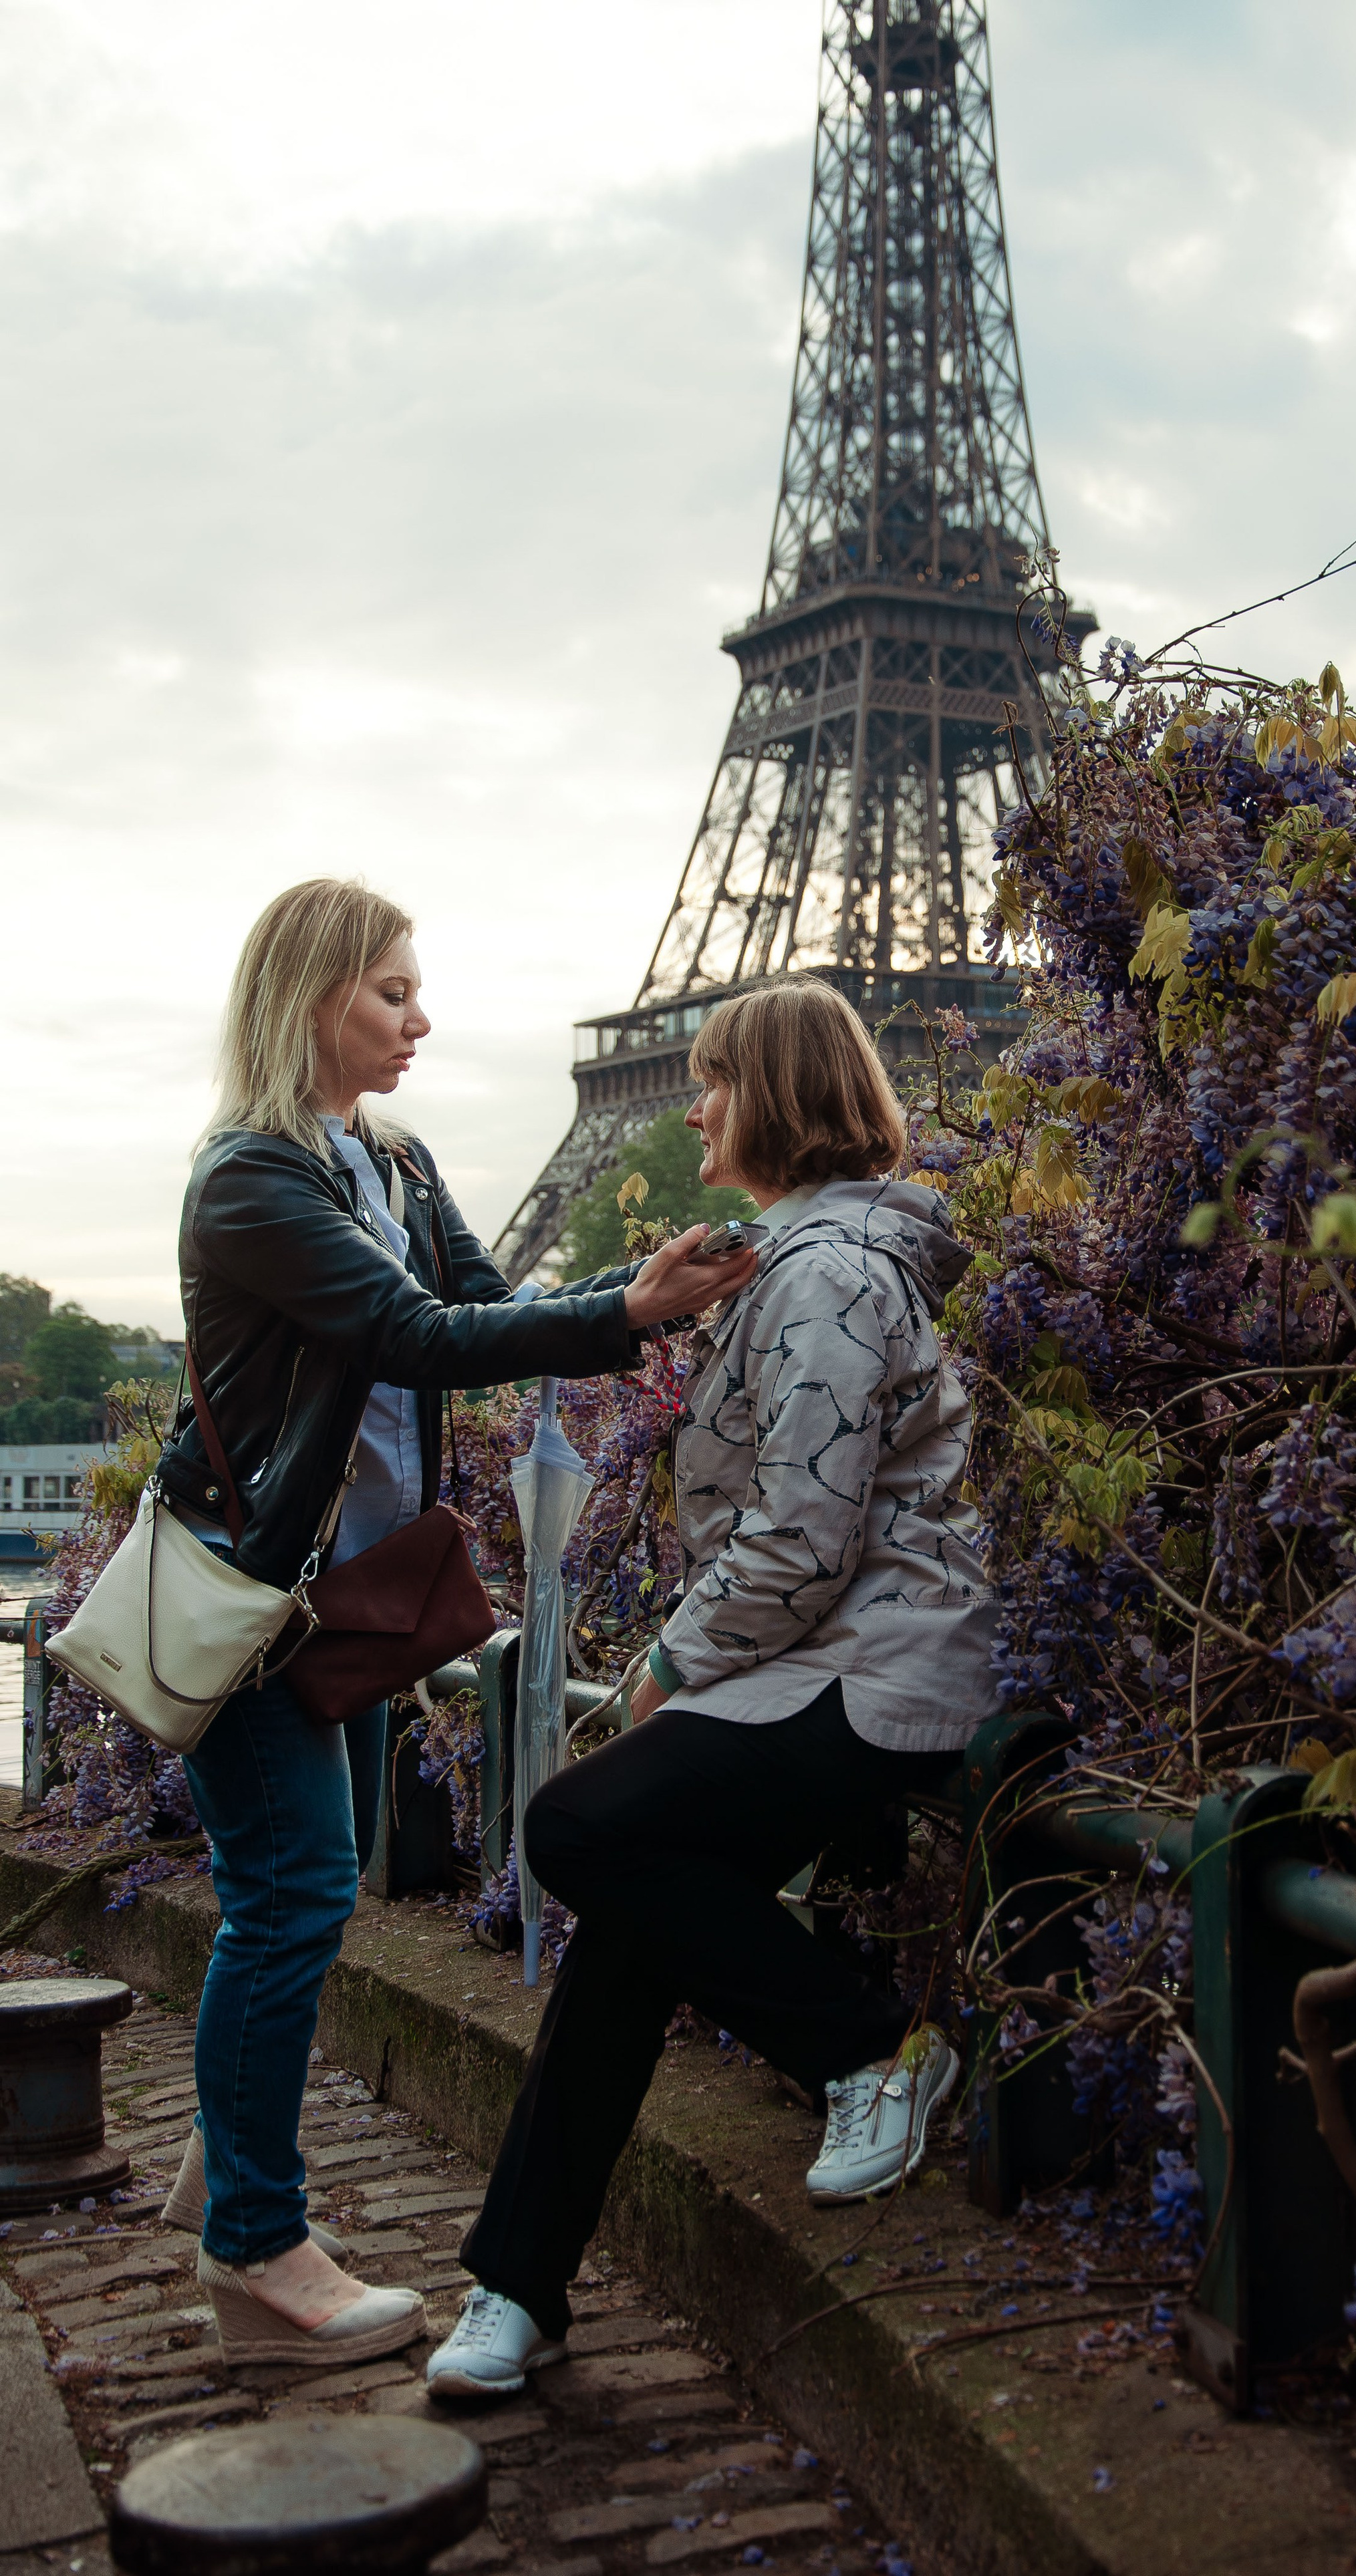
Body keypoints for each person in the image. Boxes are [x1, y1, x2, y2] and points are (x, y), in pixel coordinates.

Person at [155, 877, 755, 2368]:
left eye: (417, 992)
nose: (420, 1019)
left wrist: (646, 1290)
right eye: (390, 994)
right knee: (293, 1890)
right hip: (243, 1592)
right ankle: (253, 2249)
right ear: (309, 1001)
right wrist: (623, 1319)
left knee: (292, 1896)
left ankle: (230, 2153)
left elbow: (486, 1305)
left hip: (340, 1601)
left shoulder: (399, 1161)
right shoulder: (252, 1179)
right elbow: (411, 1336)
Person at [427, 974, 999, 2401]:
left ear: (781, 1096)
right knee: (630, 1922)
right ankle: (516, 2280)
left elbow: (803, 1534)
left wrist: (674, 1659)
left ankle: (873, 2044)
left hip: (874, 1655)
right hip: (815, 1650)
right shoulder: (798, 1259)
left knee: (577, 1827)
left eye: (713, 1080)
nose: (689, 1106)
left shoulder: (827, 1273)